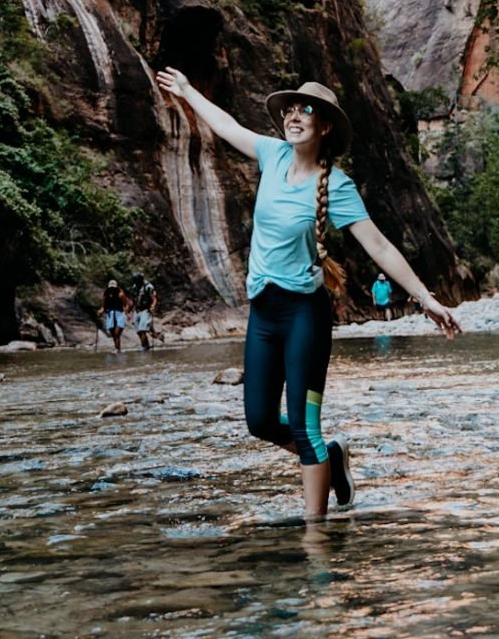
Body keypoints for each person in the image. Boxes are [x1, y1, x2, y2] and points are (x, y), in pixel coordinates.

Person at [155, 70, 461, 520]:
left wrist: (427, 299)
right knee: (259, 421)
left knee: (304, 426)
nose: (295, 116)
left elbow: (378, 245)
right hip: (264, 313)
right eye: (291, 110)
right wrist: (187, 90)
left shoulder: (336, 186)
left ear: (326, 126)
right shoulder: (271, 155)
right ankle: (332, 458)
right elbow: (226, 125)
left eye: (307, 110)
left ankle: (315, 538)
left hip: (305, 316)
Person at [98, 279, 130, 352]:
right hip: (110, 314)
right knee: (113, 333)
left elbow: (126, 304)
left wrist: (127, 313)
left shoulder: (120, 294)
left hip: (119, 313)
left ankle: (117, 349)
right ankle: (117, 348)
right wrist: (101, 311)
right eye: (111, 288)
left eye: (113, 288)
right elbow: (103, 306)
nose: (112, 289)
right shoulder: (106, 294)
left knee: (117, 333)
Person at [131, 272, 158, 349]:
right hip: (137, 310)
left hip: (145, 310)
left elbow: (154, 298)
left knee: (142, 330)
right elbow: (134, 298)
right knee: (138, 331)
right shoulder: (135, 287)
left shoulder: (148, 287)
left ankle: (144, 347)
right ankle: (146, 345)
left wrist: (153, 306)